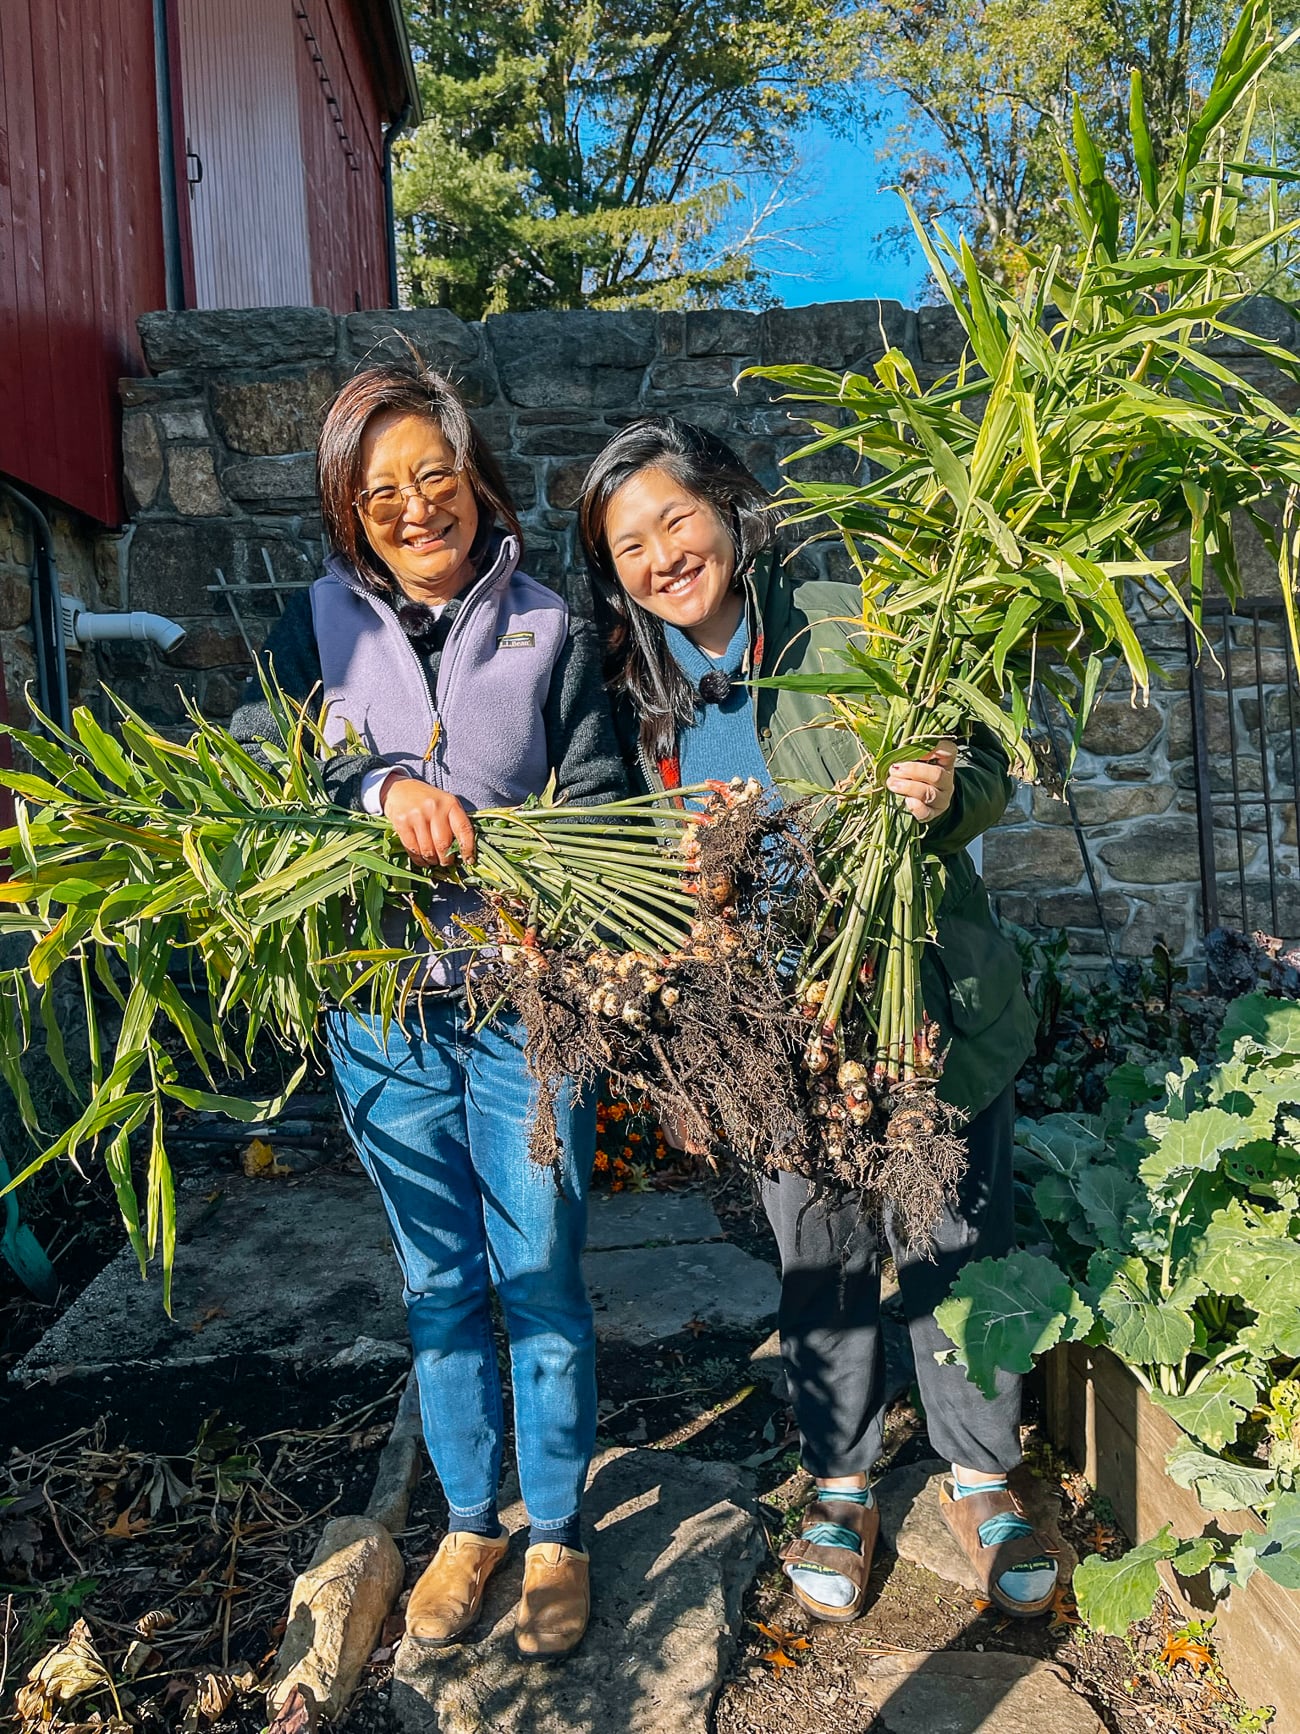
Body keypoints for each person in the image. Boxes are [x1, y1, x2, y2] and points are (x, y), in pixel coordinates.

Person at [576, 417, 1054, 1624]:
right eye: (627, 545)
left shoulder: (849, 619)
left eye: (673, 519)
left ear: (726, 509)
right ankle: (840, 1478)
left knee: (953, 1234)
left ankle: (979, 1474)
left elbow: (986, 762)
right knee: (818, 1255)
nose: (659, 557)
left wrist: (945, 793)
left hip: (918, 1000)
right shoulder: (641, 700)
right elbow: (638, 864)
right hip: (777, 1031)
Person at [232, 357, 626, 1661]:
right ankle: (471, 1519)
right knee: (444, 1279)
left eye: (435, 475)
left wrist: (534, 889)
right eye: (381, 486)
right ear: (350, 507)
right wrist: (374, 794)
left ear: (475, 478)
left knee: (544, 1274)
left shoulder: (550, 625)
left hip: (524, 1005)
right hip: (380, 1007)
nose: (415, 505)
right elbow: (264, 783)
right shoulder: (312, 629)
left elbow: (606, 806)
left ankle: (560, 1527)